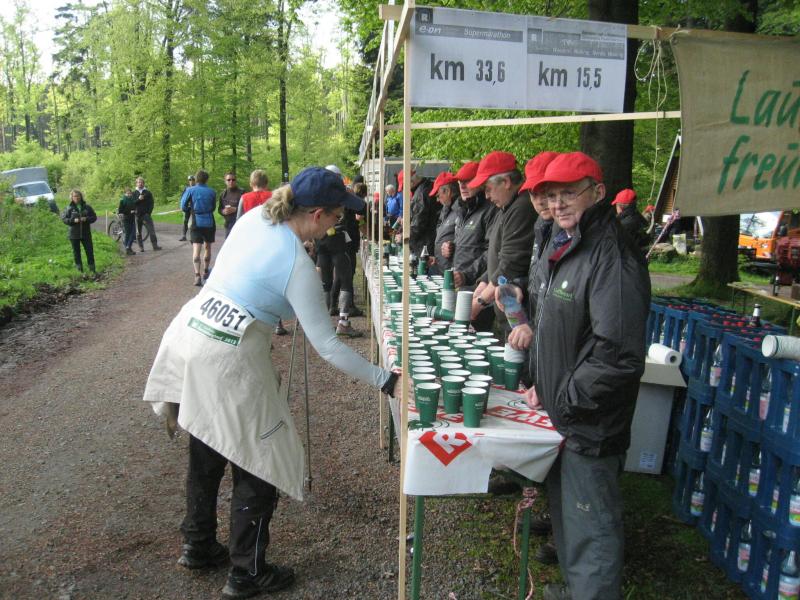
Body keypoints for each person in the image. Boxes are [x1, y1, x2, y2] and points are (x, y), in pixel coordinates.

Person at [142, 166, 401, 600]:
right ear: (317, 215)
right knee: (260, 457)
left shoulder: (255, 218)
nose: (338, 224)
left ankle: (198, 544)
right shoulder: (296, 264)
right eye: (337, 217)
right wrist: (386, 379)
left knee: (207, 445)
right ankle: (247, 572)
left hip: (191, 330)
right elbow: (328, 347)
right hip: (225, 354)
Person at [528, 152, 650, 600]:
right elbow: (561, 331)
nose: (558, 203)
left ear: (597, 193)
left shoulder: (610, 254)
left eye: (569, 193)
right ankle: (576, 590)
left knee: (592, 527)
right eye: (552, 195)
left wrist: (565, 397)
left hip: (591, 421)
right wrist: (545, 385)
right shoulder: (570, 244)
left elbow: (617, 355)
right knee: (571, 520)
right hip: (568, 414)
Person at [469, 151, 537, 338]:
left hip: (519, 314)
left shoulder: (521, 207)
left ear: (506, 182)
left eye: (488, 189)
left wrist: (480, 302)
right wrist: (484, 282)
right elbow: (497, 253)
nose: (486, 196)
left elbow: (510, 264)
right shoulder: (506, 207)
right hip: (507, 310)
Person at [314, 165, 362, 338]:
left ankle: (325, 324)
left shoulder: (316, 192)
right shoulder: (342, 192)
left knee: (326, 282)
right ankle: (343, 322)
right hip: (339, 241)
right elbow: (360, 208)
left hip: (321, 240)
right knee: (345, 280)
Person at [449, 161, 497, 292]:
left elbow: (492, 251)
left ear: (480, 183)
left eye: (467, 181)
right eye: (460, 182)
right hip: (460, 282)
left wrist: (467, 275)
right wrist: (451, 246)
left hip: (478, 286)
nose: (462, 186)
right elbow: (466, 243)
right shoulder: (462, 209)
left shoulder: (490, 210)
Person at [180, 170, 217, 286]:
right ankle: (206, 271)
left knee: (196, 249)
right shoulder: (212, 191)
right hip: (209, 221)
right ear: (207, 179)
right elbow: (213, 207)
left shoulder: (190, 190)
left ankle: (197, 275)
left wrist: (189, 210)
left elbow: (183, 206)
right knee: (207, 247)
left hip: (196, 221)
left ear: (196, 179)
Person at [427, 171, 460, 275]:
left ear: (448, 191)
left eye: (438, 195)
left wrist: (451, 246)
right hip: (441, 266)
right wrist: (436, 257)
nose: (437, 200)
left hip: (451, 270)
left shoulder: (459, 210)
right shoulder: (446, 209)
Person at [61, 189, 98, 273]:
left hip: (86, 234)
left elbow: (94, 217)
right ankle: (80, 272)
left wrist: (86, 219)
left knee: (89, 252)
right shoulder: (68, 208)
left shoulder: (87, 207)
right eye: (74, 196)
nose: (76, 198)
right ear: (71, 197)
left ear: (81, 197)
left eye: (78, 196)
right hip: (74, 234)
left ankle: (92, 271)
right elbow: (64, 219)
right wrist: (73, 220)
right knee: (76, 253)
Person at [408, 171, 437, 258]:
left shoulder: (421, 193)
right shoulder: (426, 187)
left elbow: (419, 222)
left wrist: (405, 236)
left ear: (412, 182)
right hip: (428, 239)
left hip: (424, 242)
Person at [134, 176, 162, 251]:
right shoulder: (134, 193)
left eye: (141, 182)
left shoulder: (148, 192)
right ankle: (141, 247)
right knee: (138, 232)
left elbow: (151, 203)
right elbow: (132, 203)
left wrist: (148, 213)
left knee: (151, 230)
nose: (140, 184)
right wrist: (138, 199)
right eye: (139, 182)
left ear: (143, 183)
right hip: (137, 215)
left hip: (146, 215)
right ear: (136, 184)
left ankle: (155, 246)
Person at [218, 171, 244, 238]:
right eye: (228, 180)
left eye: (233, 180)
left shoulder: (242, 192)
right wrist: (223, 211)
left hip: (240, 224)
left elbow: (247, 208)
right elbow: (219, 209)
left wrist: (236, 209)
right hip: (228, 225)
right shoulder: (223, 194)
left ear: (236, 181)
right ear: (225, 181)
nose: (231, 181)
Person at [117, 187, 138, 255]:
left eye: (130, 193)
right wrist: (129, 211)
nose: (129, 195)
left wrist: (135, 210)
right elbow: (120, 211)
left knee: (133, 234)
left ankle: (128, 247)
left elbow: (134, 207)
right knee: (128, 234)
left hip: (132, 218)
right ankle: (128, 248)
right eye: (127, 193)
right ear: (125, 194)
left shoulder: (132, 200)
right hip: (126, 219)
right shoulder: (122, 201)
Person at [180, 175, 196, 241]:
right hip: (187, 208)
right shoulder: (186, 189)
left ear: (195, 181)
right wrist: (182, 206)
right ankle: (184, 236)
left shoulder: (197, 188)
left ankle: (193, 237)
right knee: (185, 221)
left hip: (194, 208)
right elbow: (182, 198)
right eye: (190, 180)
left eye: (192, 180)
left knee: (193, 222)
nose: (191, 181)